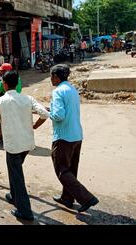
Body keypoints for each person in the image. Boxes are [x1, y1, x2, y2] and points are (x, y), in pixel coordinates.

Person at [0, 71, 49, 221]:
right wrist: (35, 126)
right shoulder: (27, 98)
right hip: (27, 144)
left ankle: (25, 211)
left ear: (5, 84)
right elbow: (45, 114)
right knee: (14, 171)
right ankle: (13, 196)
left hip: (13, 145)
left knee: (17, 176)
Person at [49, 64, 99, 213]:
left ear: (56, 77)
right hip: (76, 135)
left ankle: (86, 198)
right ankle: (67, 198)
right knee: (71, 169)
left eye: (51, 76)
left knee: (62, 171)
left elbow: (58, 115)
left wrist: (47, 113)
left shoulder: (58, 91)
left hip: (63, 137)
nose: (51, 79)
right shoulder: (72, 89)